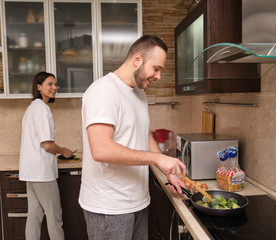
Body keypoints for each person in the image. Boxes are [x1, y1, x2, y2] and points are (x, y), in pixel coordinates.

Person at [79, 35, 186, 240]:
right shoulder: (103, 91)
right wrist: (157, 158)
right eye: (156, 69)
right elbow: (101, 150)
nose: (158, 76)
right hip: (109, 207)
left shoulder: (138, 93)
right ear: (138, 59)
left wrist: (168, 172)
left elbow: (142, 134)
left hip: (137, 201)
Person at [19, 71, 74, 240]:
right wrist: (64, 150)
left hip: (31, 171)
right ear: (39, 87)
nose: (54, 88)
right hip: (42, 173)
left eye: (55, 84)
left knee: (34, 215)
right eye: (50, 84)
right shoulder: (42, 109)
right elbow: (47, 144)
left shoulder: (31, 108)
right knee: (54, 217)